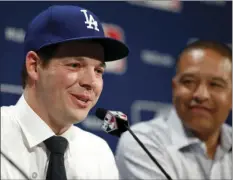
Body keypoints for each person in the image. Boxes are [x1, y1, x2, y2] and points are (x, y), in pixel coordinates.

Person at [1, 5, 129, 180]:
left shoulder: (99, 154)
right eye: (75, 65)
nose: (91, 82)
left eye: (98, 71)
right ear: (34, 66)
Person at [115, 40, 232, 180]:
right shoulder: (141, 142)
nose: (201, 95)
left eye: (215, 84)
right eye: (188, 81)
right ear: (174, 87)